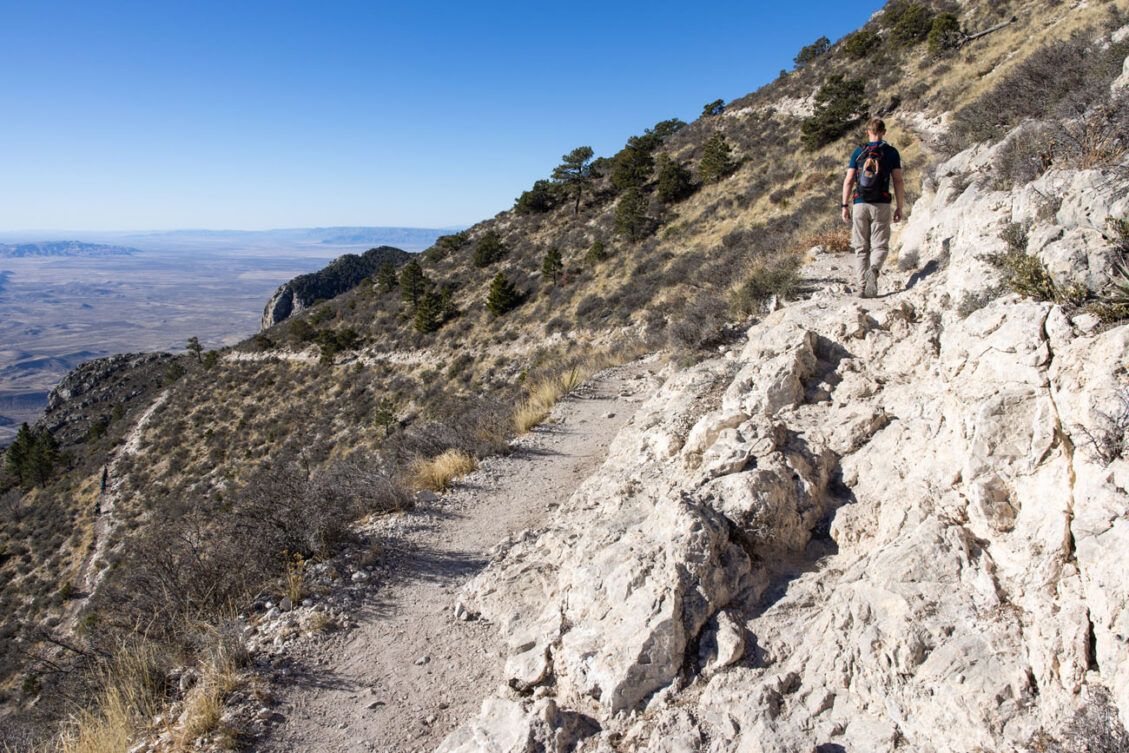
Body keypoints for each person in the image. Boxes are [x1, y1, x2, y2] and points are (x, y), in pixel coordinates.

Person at [841, 118, 906, 298]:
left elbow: (848, 181)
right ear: (884, 131)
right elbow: (898, 181)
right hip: (881, 204)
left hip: (860, 203)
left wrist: (844, 205)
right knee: (880, 246)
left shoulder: (858, 152)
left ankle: (862, 288)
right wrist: (899, 207)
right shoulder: (891, 152)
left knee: (861, 248)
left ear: (867, 131)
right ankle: (874, 269)